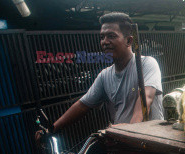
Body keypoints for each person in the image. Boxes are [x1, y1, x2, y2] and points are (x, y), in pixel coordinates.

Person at [36, 12, 163, 141]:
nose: (105, 42)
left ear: (129, 40)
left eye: (111, 36)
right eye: (102, 37)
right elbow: (82, 105)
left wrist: (131, 130)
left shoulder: (146, 64)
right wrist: (52, 129)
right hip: (123, 143)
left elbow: (146, 98)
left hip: (152, 141)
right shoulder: (105, 75)